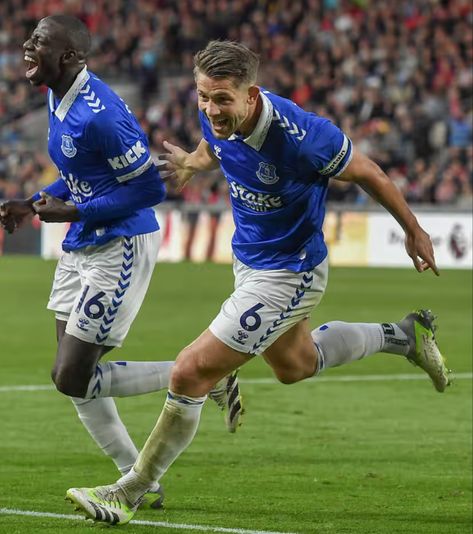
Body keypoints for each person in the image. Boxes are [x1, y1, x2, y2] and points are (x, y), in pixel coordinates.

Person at [66, 40, 450, 525]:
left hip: (290, 272)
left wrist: (413, 229)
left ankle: (130, 490)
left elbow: (369, 173)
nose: (210, 108)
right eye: (202, 96)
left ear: (253, 94)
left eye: (222, 98)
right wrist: (192, 163)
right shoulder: (216, 113)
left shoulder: (304, 136)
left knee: (189, 372)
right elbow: (215, 147)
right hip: (249, 262)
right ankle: (405, 335)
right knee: (295, 365)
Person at [0, 21, 243, 511]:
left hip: (119, 244)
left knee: (70, 376)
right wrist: (34, 201)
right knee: (72, 377)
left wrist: (74, 211)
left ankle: (202, 376)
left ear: (68, 56)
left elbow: (150, 189)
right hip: (82, 241)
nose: (28, 45)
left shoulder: (101, 115)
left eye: (40, 41)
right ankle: (140, 479)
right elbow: (83, 173)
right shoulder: (58, 95)